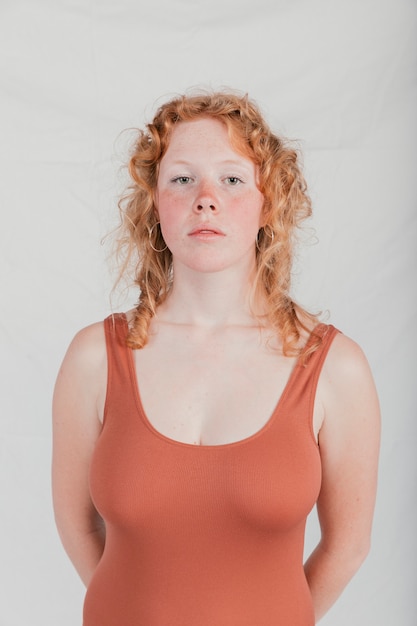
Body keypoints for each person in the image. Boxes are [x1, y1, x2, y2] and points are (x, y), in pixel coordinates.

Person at [52, 90, 381, 625]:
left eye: (232, 179)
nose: (206, 198)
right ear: (155, 202)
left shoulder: (335, 367)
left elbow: (347, 547)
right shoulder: (94, 356)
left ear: (267, 201)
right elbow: (77, 525)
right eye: (182, 179)